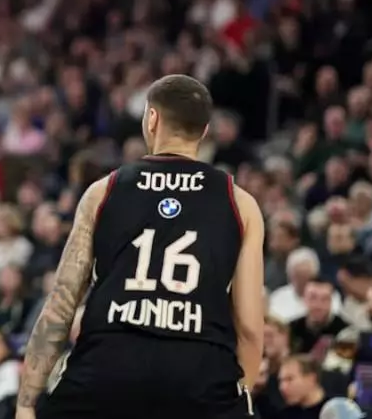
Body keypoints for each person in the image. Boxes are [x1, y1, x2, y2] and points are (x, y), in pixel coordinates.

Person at [16, 74, 266, 419]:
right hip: (199, 375)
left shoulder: (103, 192)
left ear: (152, 118)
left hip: (106, 370)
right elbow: (250, 327)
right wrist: (240, 395)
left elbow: (62, 303)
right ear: (205, 131)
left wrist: (26, 402)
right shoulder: (240, 203)